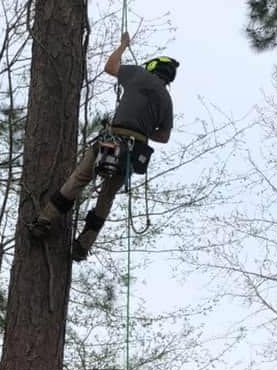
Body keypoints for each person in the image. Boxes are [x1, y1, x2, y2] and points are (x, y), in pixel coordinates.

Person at [29, 31, 179, 261]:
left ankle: (45, 220)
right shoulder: (166, 100)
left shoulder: (138, 74)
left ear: (153, 66)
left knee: (79, 179)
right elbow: (164, 136)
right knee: (106, 197)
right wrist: (143, 130)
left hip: (111, 140)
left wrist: (123, 46)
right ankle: (83, 245)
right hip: (132, 151)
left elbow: (110, 67)